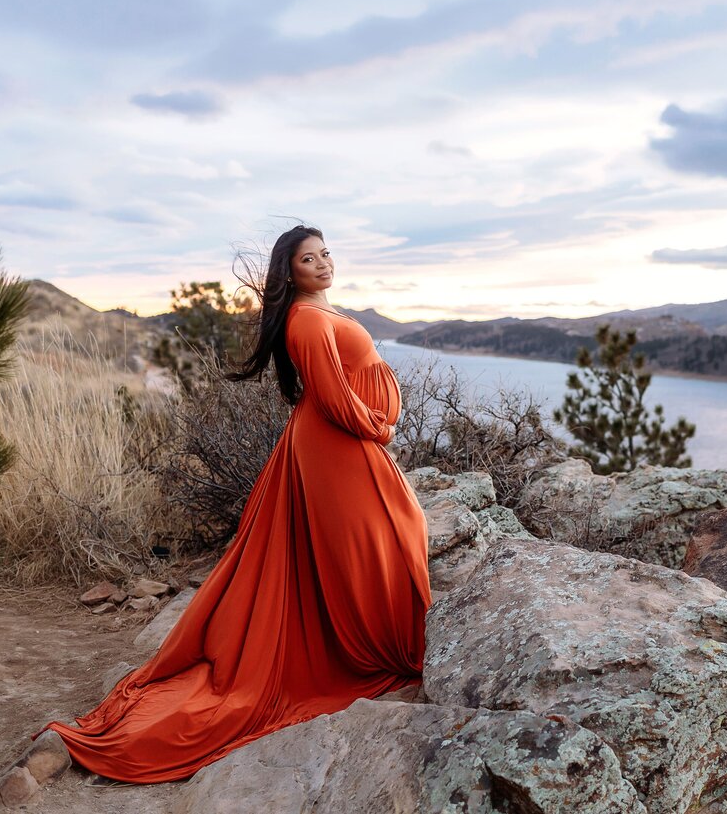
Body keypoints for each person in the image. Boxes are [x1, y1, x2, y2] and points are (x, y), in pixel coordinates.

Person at [36, 224, 432, 783]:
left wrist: (374, 422)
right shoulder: (310, 320)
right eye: (308, 259)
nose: (322, 264)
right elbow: (336, 398)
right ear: (288, 272)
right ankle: (372, 649)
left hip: (337, 445)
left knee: (390, 531)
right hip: (339, 445)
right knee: (377, 538)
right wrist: (380, 424)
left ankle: (374, 642)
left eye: (325, 254)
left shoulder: (319, 312)